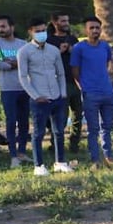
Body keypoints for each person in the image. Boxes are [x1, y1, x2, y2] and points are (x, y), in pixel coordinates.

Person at [17, 18, 72, 176]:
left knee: (59, 131)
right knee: (39, 133)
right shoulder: (24, 51)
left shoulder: (53, 50)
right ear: (31, 32)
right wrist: (35, 96)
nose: (41, 34)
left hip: (56, 96)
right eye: (38, 31)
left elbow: (61, 73)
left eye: (43, 30)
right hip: (39, 98)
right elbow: (23, 77)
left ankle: (60, 162)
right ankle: (39, 165)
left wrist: (62, 93)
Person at [71, 16, 113, 168]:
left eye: (97, 27)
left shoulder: (105, 46)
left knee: (107, 127)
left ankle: (108, 156)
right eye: (91, 28)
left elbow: (107, 63)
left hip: (107, 91)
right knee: (93, 129)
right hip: (90, 93)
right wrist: (83, 86)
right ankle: (95, 159)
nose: (95, 30)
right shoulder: (79, 48)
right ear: (86, 30)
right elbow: (75, 71)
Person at [0, 15, 31, 167]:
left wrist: (11, 62)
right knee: (11, 121)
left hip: (24, 88)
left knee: (24, 122)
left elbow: (28, 63)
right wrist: (16, 63)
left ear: (11, 27)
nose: (1, 29)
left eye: (3, 26)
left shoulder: (23, 44)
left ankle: (22, 152)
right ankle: (13, 155)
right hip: (8, 89)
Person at [46, 12, 83, 152]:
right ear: (55, 23)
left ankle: (75, 144)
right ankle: (55, 144)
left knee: (78, 115)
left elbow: (81, 58)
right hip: (59, 83)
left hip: (76, 81)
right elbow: (45, 62)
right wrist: (59, 52)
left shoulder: (73, 39)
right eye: (63, 21)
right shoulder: (49, 41)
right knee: (61, 116)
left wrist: (74, 51)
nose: (66, 23)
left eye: (67, 20)